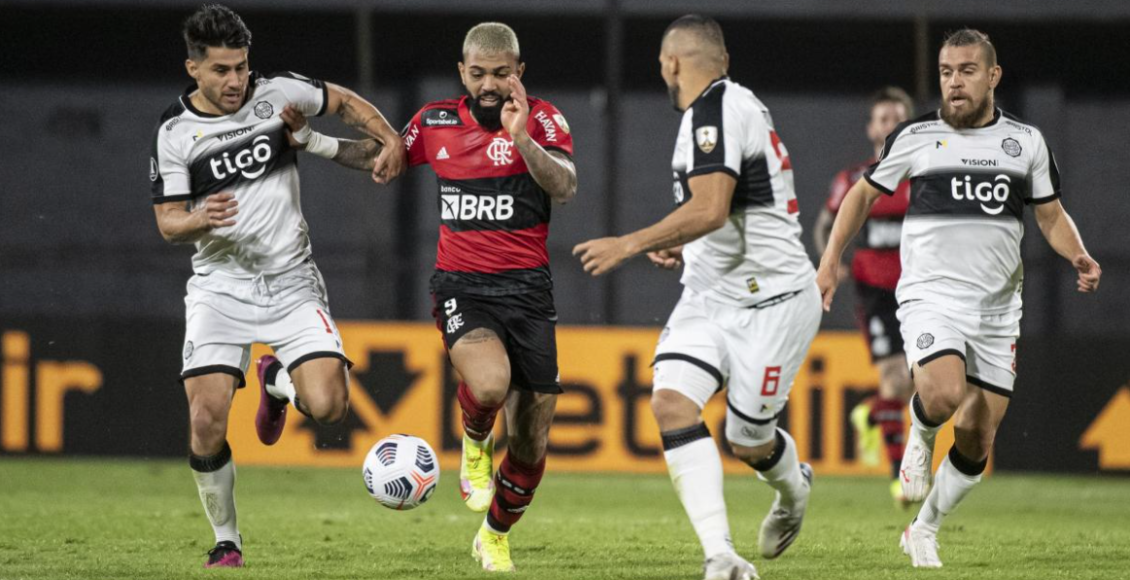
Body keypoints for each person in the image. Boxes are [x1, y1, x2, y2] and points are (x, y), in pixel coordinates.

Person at [295, 21, 576, 572]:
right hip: (462, 287)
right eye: (478, 74)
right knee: (490, 382)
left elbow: (564, 186)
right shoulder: (437, 121)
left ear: (519, 72)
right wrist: (310, 140)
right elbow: (382, 156)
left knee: (531, 442)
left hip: (528, 292)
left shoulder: (543, 119)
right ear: (462, 73)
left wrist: (522, 138)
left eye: (501, 73)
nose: (490, 84)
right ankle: (475, 441)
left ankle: (493, 535)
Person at [816, 29, 1101, 569]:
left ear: (992, 76)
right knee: (943, 394)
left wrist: (1078, 255)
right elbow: (860, 194)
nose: (954, 82)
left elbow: (1050, 215)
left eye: (967, 70)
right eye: (947, 71)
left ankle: (923, 529)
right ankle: (918, 443)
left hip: (997, 310)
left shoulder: (1026, 143)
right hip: (930, 296)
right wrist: (831, 259)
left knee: (976, 436)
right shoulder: (916, 136)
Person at [149, 3, 404, 569]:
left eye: (241, 66)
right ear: (194, 69)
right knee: (205, 420)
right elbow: (168, 221)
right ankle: (227, 540)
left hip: (291, 281)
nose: (236, 80)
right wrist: (199, 219)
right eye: (221, 70)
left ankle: (277, 385)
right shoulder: (175, 133)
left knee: (331, 406)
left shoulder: (277, 92)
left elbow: (343, 102)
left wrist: (390, 139)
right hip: (220, 286)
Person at [574, 15, 820, 580]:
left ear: (670, 64)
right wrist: (687, 249)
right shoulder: (724, 107)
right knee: (670, 403)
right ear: (724, 59)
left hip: (775, 303)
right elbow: (734, 211)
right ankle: (721, 556)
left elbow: (709, 207)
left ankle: (793, 490)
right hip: (711, 295)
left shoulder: (714, 110)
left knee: (747, 438)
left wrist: (629, 243)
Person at [813, 87, 915, 506]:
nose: (889, 124)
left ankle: (871, 413)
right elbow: (825, 225)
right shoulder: (853, 180)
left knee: (918, 385)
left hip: (921, 291)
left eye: (897, 117)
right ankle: (900, 479)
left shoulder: (926, 177)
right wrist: (830, 259)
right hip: (875, 292)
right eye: (882, 118)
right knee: (895, 379)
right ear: (872, 128)